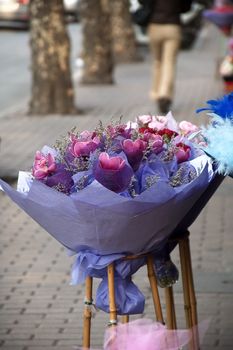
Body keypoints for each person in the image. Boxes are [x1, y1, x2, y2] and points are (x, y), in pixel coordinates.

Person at [145, 0, 193, 114]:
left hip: (154, 25)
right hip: (173, 27)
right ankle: (164, 94)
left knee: (157, 61)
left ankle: (155, 93)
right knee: (169, 62)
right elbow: (186, 7)